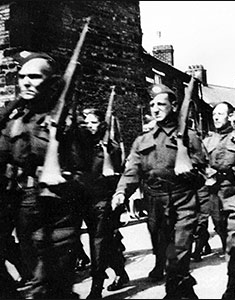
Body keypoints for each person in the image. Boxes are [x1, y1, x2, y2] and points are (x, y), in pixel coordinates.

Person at [0, 51, 84, 299]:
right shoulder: (16, 122)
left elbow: (84, 171)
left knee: (51, 285)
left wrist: (62, 144)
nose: (25, 81)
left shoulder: (67, 123)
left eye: (34, 77)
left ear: (53, 83)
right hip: (24, 207)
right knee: (29, 275)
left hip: (57, 210)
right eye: (22, 76)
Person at [111, 83, 208, 299]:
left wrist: (189, 172)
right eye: (152, 104)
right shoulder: (142, 140)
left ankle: (173, 293)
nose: (155, 108)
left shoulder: (188, 137)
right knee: (165, 251)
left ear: (173, 106)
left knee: (180, 249)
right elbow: (132, 170)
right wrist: (121, 192)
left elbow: (202, 172)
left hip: (183, 199)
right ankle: (185, 290)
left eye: (161, 104)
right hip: (155, 201)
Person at [74, 107, 129, 299]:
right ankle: (121, 272)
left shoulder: (110, 147)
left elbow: (114, 174)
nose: (89, 126)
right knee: (106, 242)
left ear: (102, 124)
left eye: (94, 122)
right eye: (86, 122)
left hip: (103, 200)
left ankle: (96, 287)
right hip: (83, 200)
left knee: (98, 242)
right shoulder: (81, 146)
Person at [202, 101, 235, 299]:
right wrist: (209, 172)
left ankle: (231, 284)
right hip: (215, 194)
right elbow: (200, 163)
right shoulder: (207, 141)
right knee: (224, 236)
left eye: (221, 113)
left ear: (231, 116)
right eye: (214, 114)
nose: (216, 117)